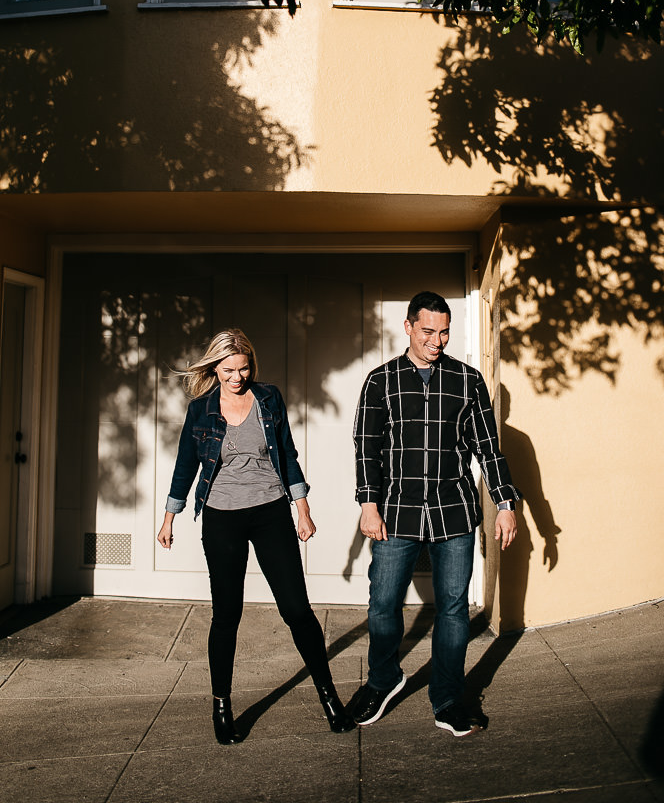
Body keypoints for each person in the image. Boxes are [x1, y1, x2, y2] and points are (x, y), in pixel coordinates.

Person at [157, 328, 354, 744]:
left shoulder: (268, 398)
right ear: (215, 368)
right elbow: (185, 465)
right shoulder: (201, 409)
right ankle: (222, 706)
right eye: (228, 370)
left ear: (251, 365)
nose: (237, 377)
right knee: (227, 615)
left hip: (270, 512)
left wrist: (302, 509)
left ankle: (329, 698)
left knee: (297, 610)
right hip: (221, 517)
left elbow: (286, 454)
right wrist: (169, 517)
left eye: (243, 368)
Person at [349, 291, 520, 737]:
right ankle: (383, 680)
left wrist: (505, 504)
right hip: (395, 512)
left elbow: (488, 447)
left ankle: (448, 698)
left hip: (454, 513)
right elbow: (366, 448)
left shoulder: (467, 381)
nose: (437, 340)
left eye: (444, 332)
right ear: (407, 327)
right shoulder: (380, 382)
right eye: (428, 331)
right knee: (384, 604)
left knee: (452, 610)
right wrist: (369, 503)